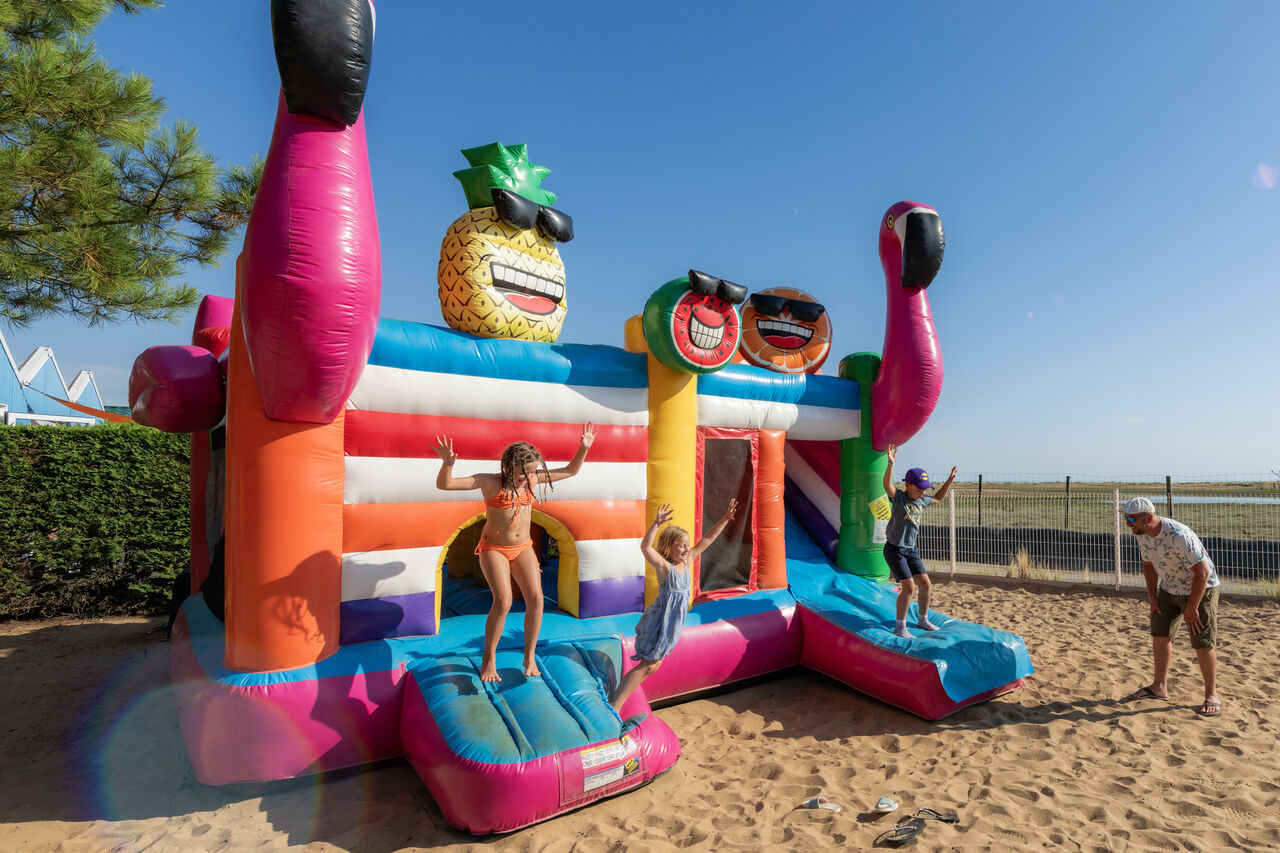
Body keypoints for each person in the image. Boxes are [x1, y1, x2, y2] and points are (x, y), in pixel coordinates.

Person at [432, 424, 597, 682]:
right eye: (523, 472)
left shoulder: (532, 479)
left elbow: (570, 470)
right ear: (508, 466)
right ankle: (489, 657)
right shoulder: (490, 482)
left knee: (536, 599)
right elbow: (446, 485)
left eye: (531, 471)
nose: (528, 477)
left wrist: (583, 447)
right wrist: (448, 464)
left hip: (523, 548)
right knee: (504, 601)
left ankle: (529, 656)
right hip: (495, 548)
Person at [609, 499, 738, 713]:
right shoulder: (664, 567)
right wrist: (657, 524)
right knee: (649, 664)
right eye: (682, 545)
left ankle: (619, 698)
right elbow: (645, 547)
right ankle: (616, 704)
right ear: (670, 547)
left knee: (653, 665)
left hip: (672, 625)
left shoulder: (687, 561)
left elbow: (707, 538)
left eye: (688, 544)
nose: (687, 548)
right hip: (660, 622)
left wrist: (725, 518)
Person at [1122, 496, 1222, 716]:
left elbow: (1202, 574)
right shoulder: (1142, 534)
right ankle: (1159, 687)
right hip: (1169, 589)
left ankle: (1211, 693)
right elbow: (1148, 565)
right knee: (1160, 632)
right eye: (1126, 519)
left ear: (1148, 518)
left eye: (1130, 519)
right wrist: (1152, 598)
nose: (1127, 524)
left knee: (1201, 640)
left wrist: (1192, 608)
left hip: (1200, 588)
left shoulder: (1179, 536)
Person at [882, 444, 956, 639]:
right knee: (909, 586)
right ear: (908, 485)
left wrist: (949, 481)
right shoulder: (899, 498)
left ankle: (922, 619)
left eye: (925, 488)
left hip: (911, 550)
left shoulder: (922, 500)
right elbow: (887, 486)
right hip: (894, 550)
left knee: (925, 583)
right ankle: (900, 627)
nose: (923, 492)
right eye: (919, 488)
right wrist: (890, 464)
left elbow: (938, 498)